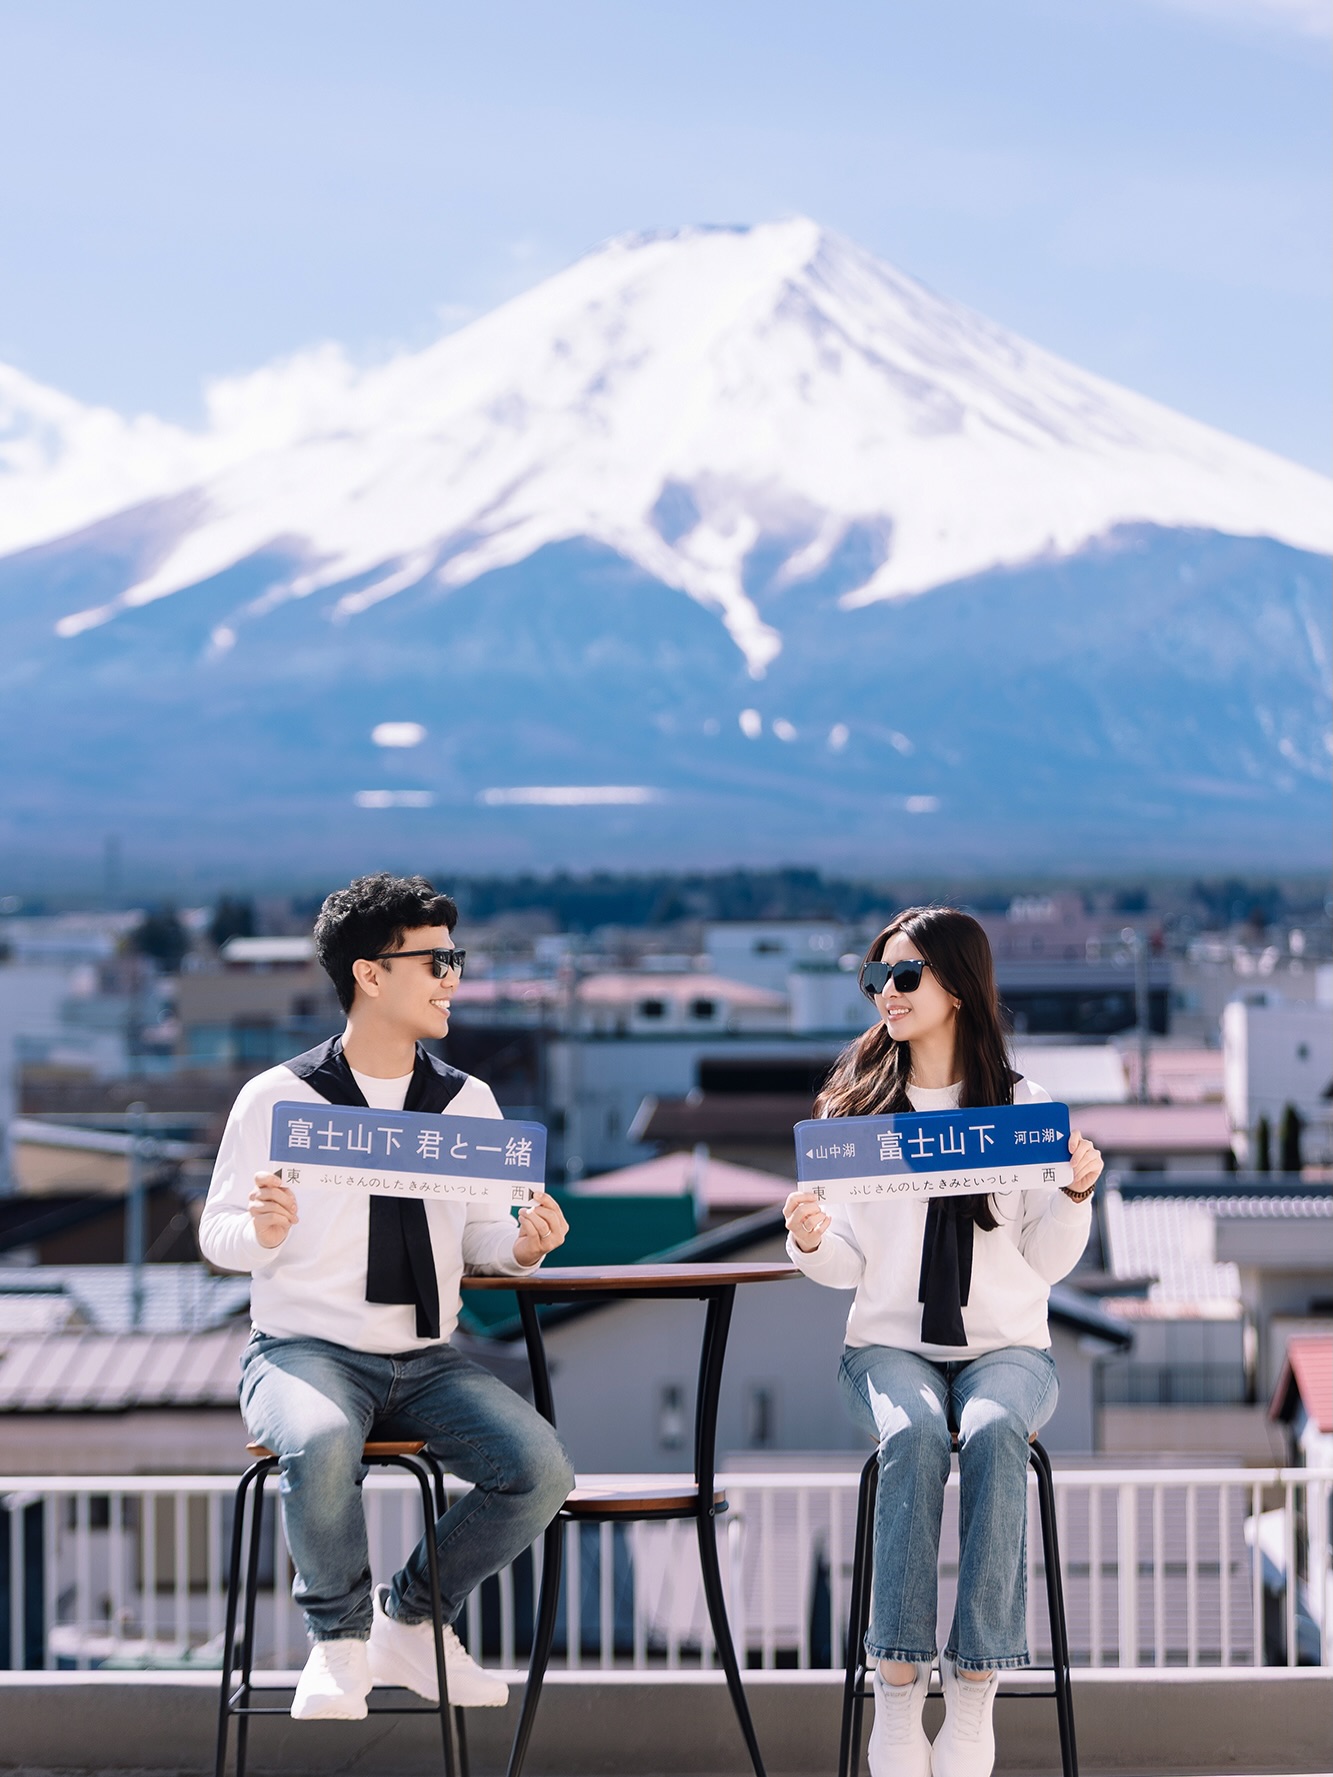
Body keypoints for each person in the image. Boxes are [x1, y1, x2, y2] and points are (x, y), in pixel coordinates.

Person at [199, 873, 574, 1722]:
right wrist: (261, 1232)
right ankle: (337, 1645)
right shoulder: (278, 1097)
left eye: (455, 957)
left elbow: (480, 1236)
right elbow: (216, 1235)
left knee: (540, 1469)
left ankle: (410, 1616)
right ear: (371, 974)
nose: (453, 976)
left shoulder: (466, 1102)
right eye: (435, 959)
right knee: (324, 1437)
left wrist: (520, 1245)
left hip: (425, 1358)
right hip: (302, 1352)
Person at [783, 907, 1102, 1777]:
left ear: (958, 985)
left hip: (1007, 1347)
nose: (887, 992)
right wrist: (809, 1237)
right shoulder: (853, 1107)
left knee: (998, 1426)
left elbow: (1043, 1260)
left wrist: (1072, 1195)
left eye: (907, 975)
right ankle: (894, 1688)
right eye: (878, 976)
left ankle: (972, 1693)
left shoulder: (1024, 1108)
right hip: (886, 1347)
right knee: (915, 1431)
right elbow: (846, 1268)